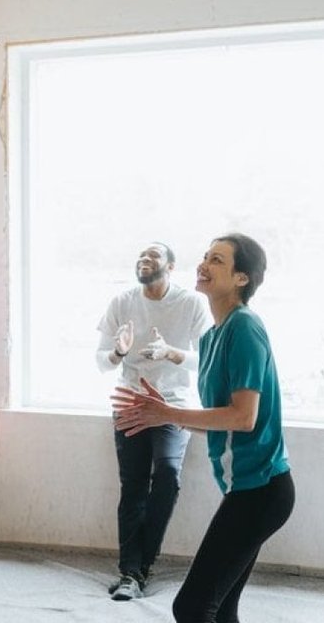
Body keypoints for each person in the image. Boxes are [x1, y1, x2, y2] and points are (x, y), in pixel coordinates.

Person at [113, 234, 294, 623]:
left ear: (242, 278)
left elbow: (243, 417)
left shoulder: (244, 327)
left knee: (191, 608)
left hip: (263, 491)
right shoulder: (212, 337)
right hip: (244, 489)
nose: (203, 265)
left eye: (217, 260)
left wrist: (169, 413)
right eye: (205, 257)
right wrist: (164, 415)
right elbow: (221, 422)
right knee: (219, 610)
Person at [95, 242, 212, 601]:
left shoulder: (191, 303)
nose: (144, 260)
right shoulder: (122, 302)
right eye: (141, 255)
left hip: (172, 406)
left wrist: (170, 353)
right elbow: (102, 361)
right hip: (130, 403)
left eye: (153, 256)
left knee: (167, 475)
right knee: (132, 487)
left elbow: (207, 359)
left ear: (170, 267)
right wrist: (119, 351)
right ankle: (131, 573)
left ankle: (140, 564)